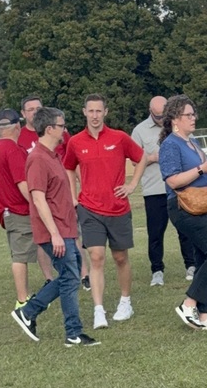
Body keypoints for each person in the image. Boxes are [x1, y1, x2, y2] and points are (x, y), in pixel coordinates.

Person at [10, 106, 99, 348]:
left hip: (66, 227)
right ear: (49, 129)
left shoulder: (53, 155)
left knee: (70, 276)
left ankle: (29, 312)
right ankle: (71, 331)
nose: (64, 129)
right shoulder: (37, 158)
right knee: (70, 277)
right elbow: (38, 199)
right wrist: (54, 234)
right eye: (61, 125)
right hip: (54, 231)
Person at [63, 94, 147, 330]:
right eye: (91, 111)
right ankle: (98, 310)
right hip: (89, 209)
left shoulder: (119, 138)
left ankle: (125, 302)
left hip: (118, 208)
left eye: (99, 111)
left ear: (106, 112)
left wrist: (132, 184)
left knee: (120, 257)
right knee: (96, 257)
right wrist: (72, 196)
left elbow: (141, 158)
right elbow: (68, 168)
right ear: (84, 112)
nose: (95, 116)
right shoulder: (76, 142)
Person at [158, 94, 207, 330]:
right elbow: (173, 181)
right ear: (175, 120)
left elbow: (205, 177)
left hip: (205, 205)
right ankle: (188, 304)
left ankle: (204, 315)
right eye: (188, 115)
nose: (193, 118)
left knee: (203, 259)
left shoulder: (192, 141)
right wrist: (201, 168)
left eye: (193, 114)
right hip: (184, 208)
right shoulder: (170, 145)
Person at [132, 96, 196, 287]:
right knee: (155, 233)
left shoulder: (179, 127)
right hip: (154, 190)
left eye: (163, 116)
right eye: (157, 116)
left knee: (185, 229)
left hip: (180, 188)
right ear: (150, 111)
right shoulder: (139, 131)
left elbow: (191, 151)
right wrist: (152, 157)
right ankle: (157, 270)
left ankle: (191, 265)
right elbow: (135, 161)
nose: (161, 120)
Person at [0, 108, 41, 306]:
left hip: (6, 209)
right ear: (18, 126)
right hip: (18, 210)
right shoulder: (13, 150)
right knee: (20, 256)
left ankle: (26, 295)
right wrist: (37, 204)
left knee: (20, 253)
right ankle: (22, 299)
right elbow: (22, 183)